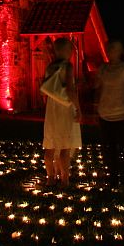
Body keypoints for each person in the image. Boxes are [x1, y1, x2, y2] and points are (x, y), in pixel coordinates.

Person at [94, 39, 124, 188]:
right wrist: (96, 108)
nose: (111, 52)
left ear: (120, 51)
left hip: (122, 113)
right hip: (105, 113)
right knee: (109, 149)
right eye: (109, 49)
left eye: (114, 49)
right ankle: (112, 178)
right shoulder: (103, 69)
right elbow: (98, 89)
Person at [41, 37, 82, 187]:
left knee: (50, 144)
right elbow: (70, 90)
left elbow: (47, 88)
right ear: (65, 50)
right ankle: (64, 179)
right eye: (70, 49)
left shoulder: (50, 66)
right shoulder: (68, 66)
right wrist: (78, 108)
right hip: (65, 107)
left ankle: (50, 177)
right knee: (65, 144)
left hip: (52, 108)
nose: (72, 52)